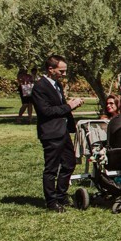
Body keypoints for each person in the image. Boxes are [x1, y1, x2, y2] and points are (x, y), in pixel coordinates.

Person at [31, 55, 83, 212]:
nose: (64, 74)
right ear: (51, 69)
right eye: (61, 71)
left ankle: (61, 195)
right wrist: (69, 106)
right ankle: (51, 202)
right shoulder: (40, 87)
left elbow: (57, 106)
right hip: (51, 133)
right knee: (51, 169)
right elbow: (45, 111)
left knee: (69, 163)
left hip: (63, 131)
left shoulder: (57, 85)